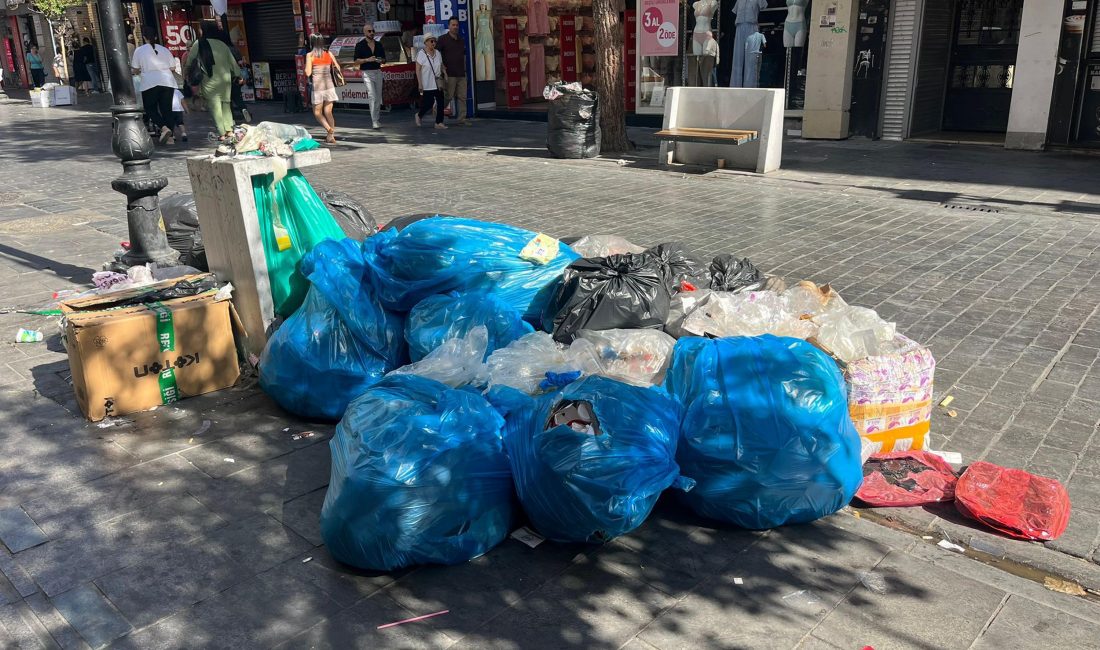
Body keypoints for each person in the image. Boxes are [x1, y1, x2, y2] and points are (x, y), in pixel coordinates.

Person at [186, 20, 241, 140]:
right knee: (226, 104)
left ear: (204, 30)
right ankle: (229, 130)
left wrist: (187, 74)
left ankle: (221, 133)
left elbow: (189, 61)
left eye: (200, 28)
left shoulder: (198, 44)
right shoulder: (222, 44)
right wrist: (238, 75)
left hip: (209, 79)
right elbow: (232, 62)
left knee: (215, 106)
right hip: (225, 80)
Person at [132, 27, 178, 144]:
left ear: (144, 37)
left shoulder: (139, 51)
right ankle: (171, 138)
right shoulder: (164, 50)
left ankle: (163, 128)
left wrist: (141, 71)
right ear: (156, 37)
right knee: (167, 109)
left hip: (149, 83)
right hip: (167, 81)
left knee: (150, 108)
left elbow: (135, 69)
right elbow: (173, 68)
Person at [304, 33, 339, 144]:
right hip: (329, 86)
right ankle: (330, 136)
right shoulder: (329, 53)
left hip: (318, 87)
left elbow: (308, 72)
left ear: (312, 42)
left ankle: (329, 129)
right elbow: (337, 67)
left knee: (317, 112)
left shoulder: (310, 55)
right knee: (328, 111)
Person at [437, 17, 470, 125]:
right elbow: (436, 55)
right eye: (453, 25)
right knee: (449, 96)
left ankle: (462, 119)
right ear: (449, 26)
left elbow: (464, 56)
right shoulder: (442, 39)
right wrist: (442, 68)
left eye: (457, 25)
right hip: (449, 73)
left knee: (462, 97)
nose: (455, 27)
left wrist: (465, 71)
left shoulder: (461, 40)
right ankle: (437, 109)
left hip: (461, 73)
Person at [352, 23, 385, 129]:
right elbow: (356, 61)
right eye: (369, 31)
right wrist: (367, 59)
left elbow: (384, 59)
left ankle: (377, 118)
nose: (372, 33)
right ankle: (374, 120)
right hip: (366, 72)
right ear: (365, 32)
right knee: (372, 96)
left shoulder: (379, 44)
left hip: (377, 71)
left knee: (378, 97)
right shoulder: (360, 45)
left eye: (373, 31)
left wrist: (380, 60)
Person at [415, 34, 446, 129]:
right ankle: (419, 115)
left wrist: (445, 73)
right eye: (431, 41)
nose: (433, 43)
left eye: (434, 41)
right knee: (428, 103)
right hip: (427, 83)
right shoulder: (421, 54)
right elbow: (418, 70)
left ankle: (439, 122)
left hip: (437, 83)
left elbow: (441, 65)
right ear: (426, 43)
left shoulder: (438, 53)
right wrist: (420, 83)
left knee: (441, 101)